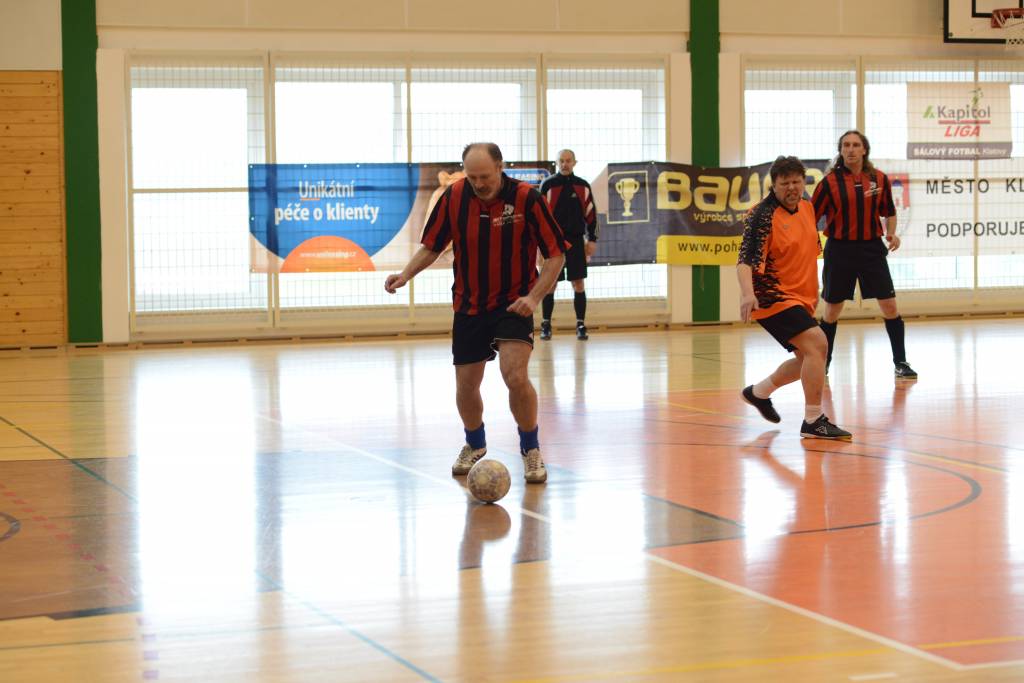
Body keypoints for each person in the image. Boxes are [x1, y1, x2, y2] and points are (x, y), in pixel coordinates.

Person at [385, 143, 569, 483]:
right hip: (469, 304)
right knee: (466, 385)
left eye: (485, 176)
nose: (479, 183)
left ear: (500, 167)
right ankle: (475, 443)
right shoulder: (454, 197)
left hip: (514, 302)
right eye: (472, 177)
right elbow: (432, 246)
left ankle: (531, 448)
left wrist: (534, 298)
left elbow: (556, 255)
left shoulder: (527, 199)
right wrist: (405, 274)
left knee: (515, 375)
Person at [737, 155, 852, 441]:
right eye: (784, 183)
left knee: (809, 359)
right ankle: (813, 420)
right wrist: (747, 294)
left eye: (796, 182)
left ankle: (758, 392)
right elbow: (745, 261)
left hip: (801, 299)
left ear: (803, 182)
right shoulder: (761, 216)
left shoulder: (807, 208)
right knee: (818, 344)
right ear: (773, 185)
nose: (791, 188)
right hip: (771, 297)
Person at [811, 130, 917, 379]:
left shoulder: (878, 178)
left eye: (855, 145)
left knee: (889, 305)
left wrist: (892, 234)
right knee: (832, 310)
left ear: (864, 149)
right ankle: (823, 363)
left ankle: (901, 362)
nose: (850, 149)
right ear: (841, 150)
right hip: (839, 250)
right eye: (846, 145)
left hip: (871, 249)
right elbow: (811, 217)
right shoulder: (829, 182)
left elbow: (889, 211)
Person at [538, 149, 598, 341]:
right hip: (553, 242)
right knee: (550, 284)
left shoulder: (583, 186)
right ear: (557, 162)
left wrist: (592, 239)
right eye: (561, 161)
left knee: (578, 283)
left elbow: (591, 215)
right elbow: (539, 216)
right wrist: (540, 244)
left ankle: (580, 325)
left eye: (568, 160)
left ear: (574, 162)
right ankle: (546, 325)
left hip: (576, 241)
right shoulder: (548, 185)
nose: (565, 164)